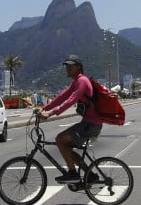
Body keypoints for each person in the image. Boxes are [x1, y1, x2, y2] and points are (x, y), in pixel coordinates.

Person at [40, 55, 102, 183]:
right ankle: (90, 175)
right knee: (65, 145)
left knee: (60, 139)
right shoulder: (76, 82)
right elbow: (62, 97)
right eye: (66, 66)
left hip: (91, 124)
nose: (67, 68)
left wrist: (50, 113)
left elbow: (71, 100)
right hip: (88, 123)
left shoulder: (82, 81)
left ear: (79, 67)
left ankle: (73, 173)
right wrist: (44, 108)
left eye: (71, 66)